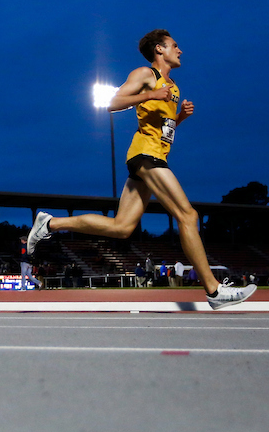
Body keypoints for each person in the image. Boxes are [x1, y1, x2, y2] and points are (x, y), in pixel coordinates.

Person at [27, 30, 256, 310]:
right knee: (188, 214)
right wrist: (151, 94)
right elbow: (112, 103)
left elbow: (163, 132)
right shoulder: (146, 75)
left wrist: (179, 117)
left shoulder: (173, 87)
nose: (180, 50)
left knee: (122, 227)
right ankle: (213, 290)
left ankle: (50, 224)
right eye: (175, 45)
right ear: (160, 49)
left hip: (154, 154)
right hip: (145, 155)